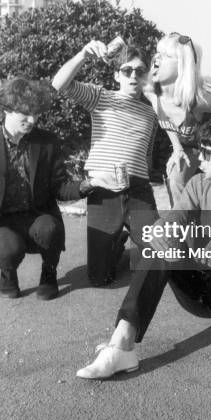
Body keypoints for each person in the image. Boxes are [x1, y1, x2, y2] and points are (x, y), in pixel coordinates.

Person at [76, 113, 211, 397]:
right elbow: (178, 215)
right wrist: (162, 227)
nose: (199, 158)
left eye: (206, 152)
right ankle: (121, 347)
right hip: (198, 291)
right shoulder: (198, 183)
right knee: (162, 247)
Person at [0, 77, 85, 300]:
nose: (32, 119)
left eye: (36, 113)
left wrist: (87, 186)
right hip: (3, 224)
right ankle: (8, 273)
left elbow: (59, 187)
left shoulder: (46, 142)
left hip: (37, 217)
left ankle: (49, 272)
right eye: (26, 113)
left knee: (50, 228)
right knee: (5, 249)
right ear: (7, 108)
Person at [52, 41, 159, 286]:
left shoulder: (151, 113)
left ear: (146, 76)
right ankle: (117, 242)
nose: (133, 76)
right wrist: (82, 54)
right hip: (102, 192)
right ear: (116, 74)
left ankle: (135, 236)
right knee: (100, 278)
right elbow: (59, 85)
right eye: (127, 70)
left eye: (140, 71)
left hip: (138, 191)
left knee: (156, 260)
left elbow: (147, 154)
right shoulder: (100, 97)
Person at [146, 32, 211, 207]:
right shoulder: (152, 94)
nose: (157, 60)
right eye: (157, 54)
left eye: (165, 56)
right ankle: (182, 223)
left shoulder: (199, 102)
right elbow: (166, 122)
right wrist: (177, 148)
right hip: (188, 149)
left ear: (182, 65)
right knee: (175, 174)